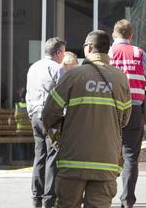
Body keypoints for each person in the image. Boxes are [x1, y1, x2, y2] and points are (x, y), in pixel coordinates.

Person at [43, 30, 132, 208]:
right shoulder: (121, 79)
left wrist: (60, 134)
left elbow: (49, 114)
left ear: (89, 47)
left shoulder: (73, 75)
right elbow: (124, 120)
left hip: (73, 161)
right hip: (106, 162)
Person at [108, 19, 146, 208]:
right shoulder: (139, 53)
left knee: (106, 154)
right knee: (130, 157)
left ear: (114, 34)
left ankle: (103, 195)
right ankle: (127, 201)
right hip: (134, 109)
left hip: (110, 110)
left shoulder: (109, 53)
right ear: (131, 35)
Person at [26, 37, 66, 208]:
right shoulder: (57, 68)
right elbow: (64, 95)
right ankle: (49, 199)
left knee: (39, 155)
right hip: (51, 118)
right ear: (58, 53)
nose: (63, 56)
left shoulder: (33, 67)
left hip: (35, 115)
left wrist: (31, 114)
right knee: (53, 155)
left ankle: (36, 197)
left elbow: (28, 93)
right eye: (63, 52)